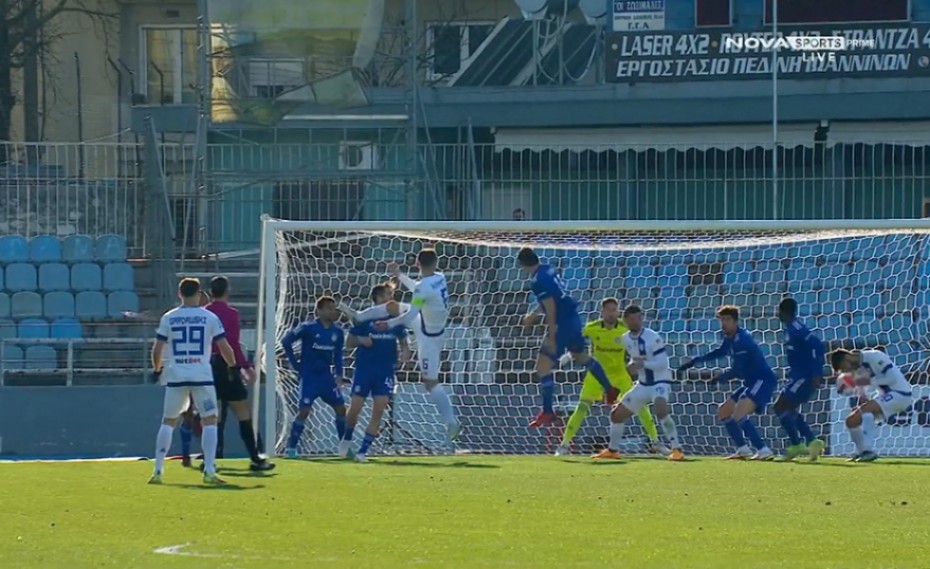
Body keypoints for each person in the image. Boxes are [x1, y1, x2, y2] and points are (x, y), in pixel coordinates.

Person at [339, 249, 462, 443]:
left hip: (427, 338)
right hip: (429, 325)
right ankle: (359, 315)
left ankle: (452, 422)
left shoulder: (423, 287)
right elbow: (419, 289)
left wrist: (388, 324)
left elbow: (410, 315)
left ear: (417, 264)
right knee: (394, 306)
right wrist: (399, 276)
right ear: (436, 262)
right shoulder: (440, 277)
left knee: (431, 383)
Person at [149, 278, 237, 485]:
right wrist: (232, 365)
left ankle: (158, 470)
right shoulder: (209, 318)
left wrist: (157, 369)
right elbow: (224, 346)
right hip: (201, 376)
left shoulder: (169, 317)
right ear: (199, 294)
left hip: (176, 376)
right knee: (210, 420)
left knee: (168, 421)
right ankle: (209, 470)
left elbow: (157, 349)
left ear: (179, 294)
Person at [518, 247, 618, 428]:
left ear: (522, 265)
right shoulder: (548, 269)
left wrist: (552, 333)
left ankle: (548, 412)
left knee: (542, 366)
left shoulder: (537, 281)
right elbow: (552, 299)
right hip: (574, 319)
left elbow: (550, 307)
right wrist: (532, 316)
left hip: (561, 324)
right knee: (583, 357)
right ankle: (609, 389)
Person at [555, 298, 664, 456]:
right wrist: (568, 355)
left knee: (641, 406)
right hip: (597, 376)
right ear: (602, 311)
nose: (612, 313)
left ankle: (656, 443)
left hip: (620, 375)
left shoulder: (625, 328)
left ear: (618, 311)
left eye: (614, 309)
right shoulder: (592, 328)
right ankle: (564, 446)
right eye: (608, 310)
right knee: (582, 408)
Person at [679, 306, 776, 460]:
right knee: (724, 411)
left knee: (739, 414)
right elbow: (718, 352)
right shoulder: (730, 339)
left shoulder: (742, 340)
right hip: (750, 382)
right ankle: (743, 449)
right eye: (722, 320)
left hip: (762, 380)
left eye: (727, 320)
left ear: (736, 321)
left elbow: (737, 370)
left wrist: (720, 378)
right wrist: (694, 362)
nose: (724, 323)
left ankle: (764, 450)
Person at [593, 305, 685, 461]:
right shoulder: (625, 339)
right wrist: (631, 365)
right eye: (632, 319)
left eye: (638, 318)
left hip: (660, 382)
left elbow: (662, 363)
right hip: (643, 385)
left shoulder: (653, 337)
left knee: (661, 410)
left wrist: (643, 365)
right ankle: (613, 450)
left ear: (642, 318)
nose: (636, 321)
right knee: (617, 414)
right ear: (626, 321)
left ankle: (677, 450)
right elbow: (634, 359)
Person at [205, 276, 274, 471]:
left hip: (208, 366)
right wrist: (245, 366)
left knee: (213, 415)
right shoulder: (231, 314)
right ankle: (256, 456)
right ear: (227, 290)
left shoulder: (205, 313)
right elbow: (232, 342)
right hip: (227, 365)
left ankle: (210, 459)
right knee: (243, 412)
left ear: (211, 292)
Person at [339, 283, 411, 462]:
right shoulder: (365, 318)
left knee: (379, 409)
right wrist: (361, 339)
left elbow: (404, 340)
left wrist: (405, 351)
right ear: (379, 298)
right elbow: (349, 343)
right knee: (355, 409)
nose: (392, 298)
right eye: (389, 294)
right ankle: (346, 439)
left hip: (385, 372)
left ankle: (363, 452)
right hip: (365, 370)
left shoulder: (395, 319)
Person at [281, 296, 348, 458]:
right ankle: (291, 448)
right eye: (329, 308)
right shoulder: (307, 328)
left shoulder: (337, 332)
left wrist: (340, 375)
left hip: (326, 377)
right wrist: (295, 363)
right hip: (309, 377)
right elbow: (286, 341)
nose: (333, 312)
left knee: (341, 408)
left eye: (334, 309)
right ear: (319, 310)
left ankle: (344, 448)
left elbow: (338, 355)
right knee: (304, 411)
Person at [831, 348, 913, 462]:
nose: (847, 370)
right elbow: (863, 394)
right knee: (851, 421)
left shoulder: (875, 356)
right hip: (886, 396)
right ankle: (861, 452)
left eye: (844, 367)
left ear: (847, 358)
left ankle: (868, 451)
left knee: (865, 411)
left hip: (901, 394)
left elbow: (891, 379)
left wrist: (864, 382)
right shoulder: (859, 369)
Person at [774, 298, 827, 461]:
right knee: (786, 408)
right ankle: (811, 442)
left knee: (781, 406)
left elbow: (818, 346)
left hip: (805, 376)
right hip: (797, 375)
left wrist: (817, 374)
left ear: (782, 312)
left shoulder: (797, 329)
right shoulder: (790, 329)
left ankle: (798, 444)